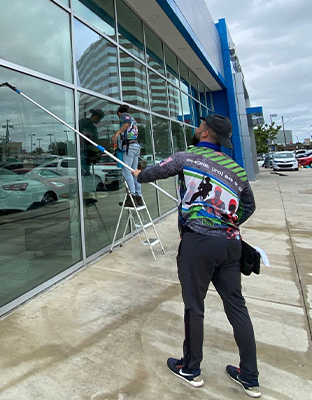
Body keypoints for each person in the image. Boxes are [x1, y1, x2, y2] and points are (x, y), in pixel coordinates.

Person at [132, 114, 260, 398]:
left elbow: (156, 171)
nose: (197, 127)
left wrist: (139, 175)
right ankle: (250, 376)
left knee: (194, 306)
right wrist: (228, 221)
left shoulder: (187, 157)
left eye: (200, 125)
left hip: (198, 243)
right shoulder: (236, 170)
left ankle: (191, 368)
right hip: (230, 245)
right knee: (237, 307)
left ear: (206, 134)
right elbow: (248, 207)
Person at [112, 105, 143, 207]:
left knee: (127, 171)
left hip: (129, 146)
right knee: (134, 171)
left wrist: (117, 133)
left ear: (119, 113)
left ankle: (131, 197)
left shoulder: (124, 116)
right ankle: (139, 197)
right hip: (136, 146)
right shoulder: (133, 119)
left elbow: (126, 124)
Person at [78, 108, 105, 175]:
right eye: (99, 119)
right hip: (84, 149)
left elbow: (94, 139)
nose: (99, 121)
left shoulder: (93, 126)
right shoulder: (85, 122)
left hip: (89, 150)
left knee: (87, 168)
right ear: (97, 117)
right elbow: (80, 133)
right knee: (84, 168)